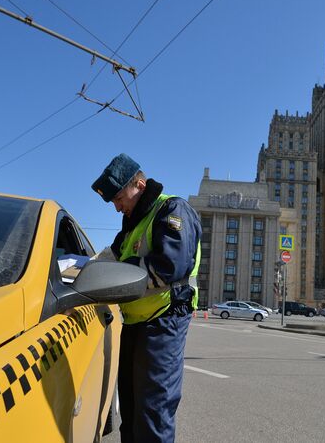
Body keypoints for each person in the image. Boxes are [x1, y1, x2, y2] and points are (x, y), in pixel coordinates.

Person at [92, 153, 201, 443]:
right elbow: (104, 262)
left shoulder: (173, 209)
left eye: (119, 198)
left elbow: (168, 267)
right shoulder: (131, 225)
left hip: (163, 323)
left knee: (153, 413)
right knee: (131, 409)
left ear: (139, 185)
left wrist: (115, 277)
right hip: (134, 324)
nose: (117, 207)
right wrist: (79, 270)